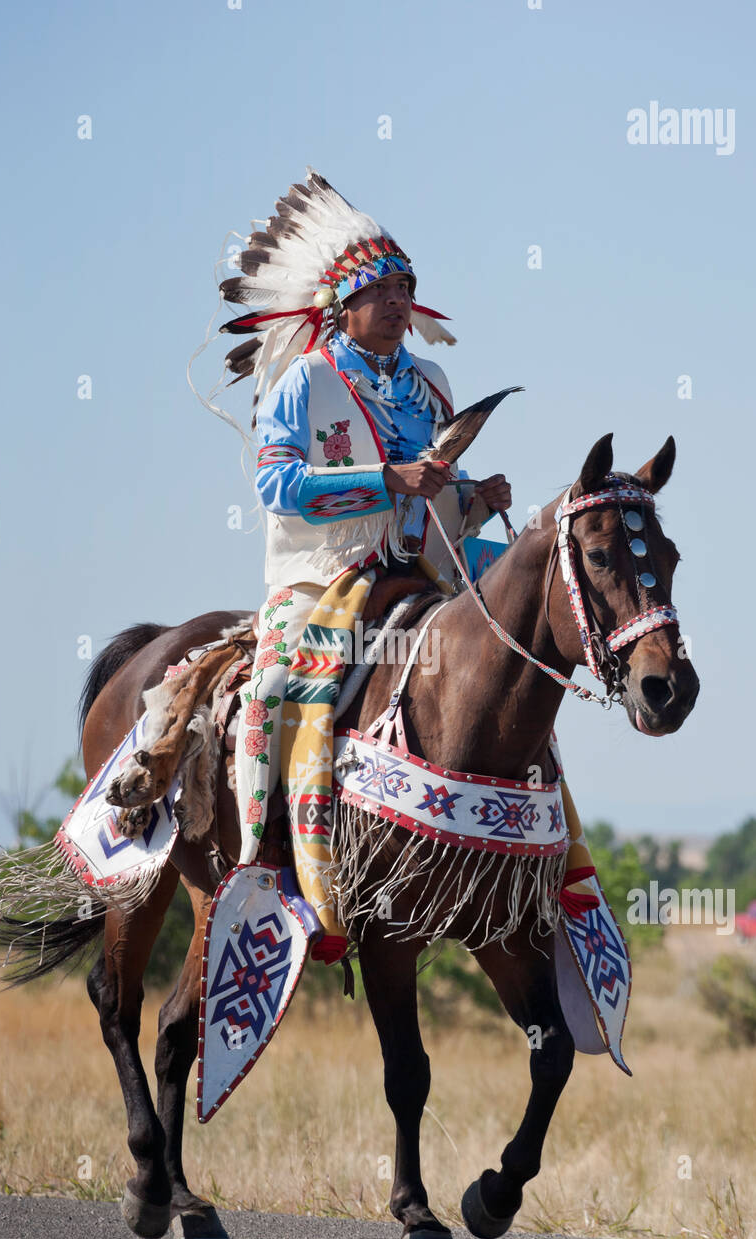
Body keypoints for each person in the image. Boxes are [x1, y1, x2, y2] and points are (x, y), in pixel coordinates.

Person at [216, 170, 511, 877]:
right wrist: (382, 480)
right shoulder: (307, 382)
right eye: (380, 292)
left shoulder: (431, 385)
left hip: (425, 571)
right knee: (274, 686)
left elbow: (434, 491)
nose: (397, 304)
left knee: (511, 655)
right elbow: (276, 485)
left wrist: (476, 497)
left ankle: (530, 852)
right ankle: (264, 855)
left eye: (404, 291)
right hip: (322, 576)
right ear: (340, 305)